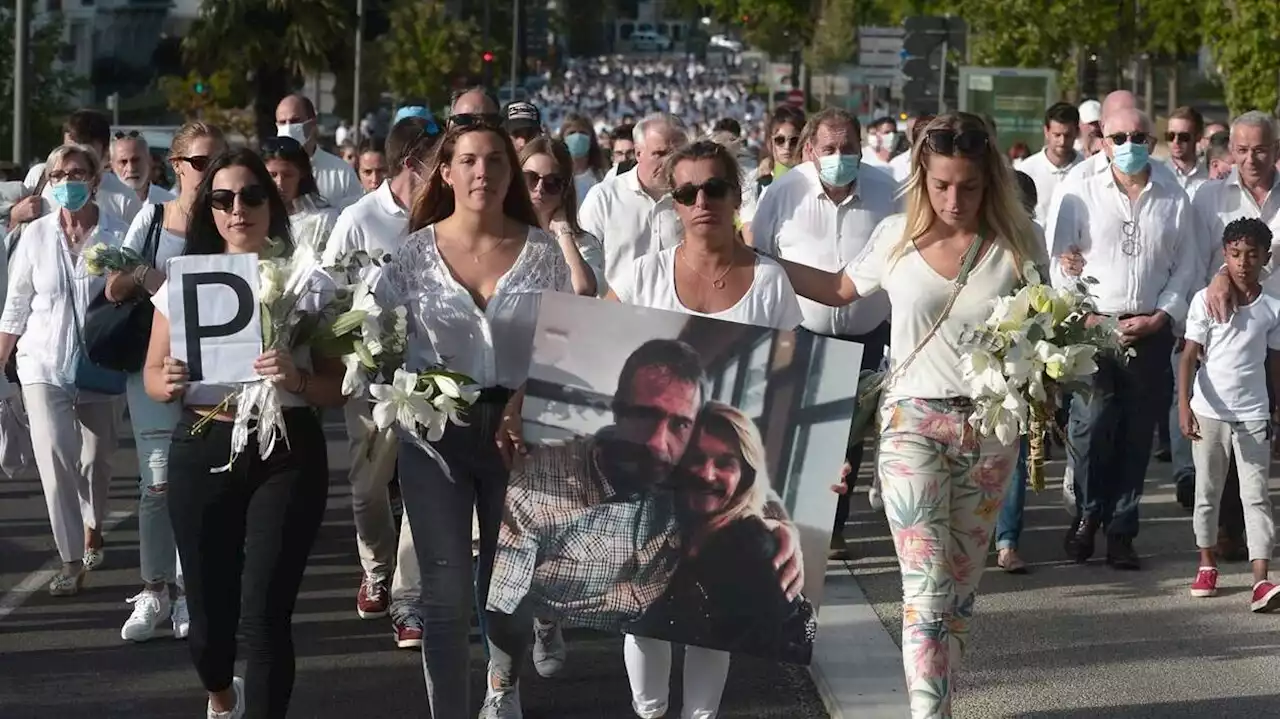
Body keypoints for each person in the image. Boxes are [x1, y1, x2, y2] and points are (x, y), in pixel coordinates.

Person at [774, 113, 1045, 719]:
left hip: (990, 432)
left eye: (969, 187)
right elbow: (842, 289)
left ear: (989, 182)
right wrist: (759, 260)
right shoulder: (895, 235)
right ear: (923, 179)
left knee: (960, 592)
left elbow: (1047, 324)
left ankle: (937, 699)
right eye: (942, 185)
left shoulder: (1020, 242)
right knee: (924, 592)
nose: (954, 199)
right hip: (911, 425)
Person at [372, 119, 587, 719]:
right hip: (435, 435)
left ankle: (504, 683)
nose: (482, 172)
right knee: (443, 596)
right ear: (446, 172)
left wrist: (527, 396)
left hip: (517, 436)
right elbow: (372, 335)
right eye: (467, 160)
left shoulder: (541, 251)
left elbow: (565, 344)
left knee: (507, 596)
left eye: (495, 160)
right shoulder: (414, 254)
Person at [485, 339, 803, 719]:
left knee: (699, 638)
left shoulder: (706, 490)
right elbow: (506, 598)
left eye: (680, 423)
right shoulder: (551, 480)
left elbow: (743, 482)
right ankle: (549, 625)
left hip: (681, 615)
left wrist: (786, 522)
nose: (658, 442)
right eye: (644, 415)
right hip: (591, 607)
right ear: (617, 409)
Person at [143, 149, 346, 719]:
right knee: (209, 624)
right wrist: (170, 381)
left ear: (273, 202)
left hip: (288, 448)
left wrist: (300, 377)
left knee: (265, 616)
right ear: (209, 209)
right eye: (223, 198)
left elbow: (338, 385)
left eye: (252, 196)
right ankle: (219, 694)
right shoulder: (184, 282)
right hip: (206, 442)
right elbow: (153, 373)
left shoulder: (311, 282)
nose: (239, 210)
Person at [606, 139, 804, 719]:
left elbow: (794, 374)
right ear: (673, 203)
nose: (701, 202)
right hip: (651, 479)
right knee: (643, 617)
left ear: (736, 196)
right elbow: (608, 351)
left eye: (713, 188)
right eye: (687, 192)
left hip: (721, 485)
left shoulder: (769, 283)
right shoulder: (642, 275)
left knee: (710, 621)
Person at [1048, 107, 1198, 569]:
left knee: (1136, 435)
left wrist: (1161, 316)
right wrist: (1087, 315)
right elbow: (1060, 264)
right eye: (1119, 136)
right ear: (1104, 142)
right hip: (1095, 329)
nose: (1129, 145)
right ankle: (1089, 514)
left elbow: (1186, 266)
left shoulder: (1174, 198)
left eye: (1138, 136)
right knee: (1092, 428)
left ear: (1150, 141)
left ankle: (1121, 530)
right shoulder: (1079, 192)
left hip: (1149, 331)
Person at [748, 108, 898, 557]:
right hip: (805, 332)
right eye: (829, 149)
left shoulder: (889, 192)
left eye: (847, 148)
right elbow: (761, 256)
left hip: (868, 332)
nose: (839, 157)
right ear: (810, 150)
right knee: (806, 435)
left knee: (849, 437)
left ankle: (834, 525)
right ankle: (800, 526)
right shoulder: (784, 191)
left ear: (861, 148)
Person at [105, 121, 227, 642]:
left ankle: (188, 592)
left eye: (218, 161)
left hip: (214, 372)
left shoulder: (230, 219)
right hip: (153, 367)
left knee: (205, 483)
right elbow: (111, 286)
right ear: (176, 166)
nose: (211, 172)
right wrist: (147, 279)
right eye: (201, 162)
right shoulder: (152, 219)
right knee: (157, 481)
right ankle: (154, 589)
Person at [323, 115, 440, 649]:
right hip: (370, 377)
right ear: (414, 161)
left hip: (434, 376)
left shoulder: (447, 214)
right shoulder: (359, 217)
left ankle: (407, 599)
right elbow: (328, 294)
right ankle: (375, 565)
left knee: (422, 488)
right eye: (442, 155)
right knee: (369, 489)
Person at [0, 143, 130, 596]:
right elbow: (16, 306)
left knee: (96, 460)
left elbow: (135, 301)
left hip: (100, 366)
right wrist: (2, 359)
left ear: (95, 180)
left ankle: (94, 522)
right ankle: (71, 559)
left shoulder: (117, 233)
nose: (67, 182)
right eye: (59, 175)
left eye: (77, 173)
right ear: (49, 181)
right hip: (42, 362)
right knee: (55, 459)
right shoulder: (34, 235)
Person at [628, 402, 816, 665]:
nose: (706, 475)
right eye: (695, 459)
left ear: (745, 477)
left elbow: (761, 650)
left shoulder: (751, 547)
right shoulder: (663, 507)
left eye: (726, 463)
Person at [1178, 217, 1280, 613]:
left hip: (1253, 414)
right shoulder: (1205, 299)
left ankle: (1261, 579)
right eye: (1235, 254)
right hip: (1209, 412)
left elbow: (1274, 365)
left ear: (1265, 258)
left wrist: (1276, 411)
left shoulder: (1271, 309)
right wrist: (1184, 406)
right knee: (1207, 494)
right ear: (1225, 256)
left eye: (1252, 255)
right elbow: (1189, 356)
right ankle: (1206, 563)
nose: (1243, 262)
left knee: (1256, 498)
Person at [578, 113, 688, 293]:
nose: (669, 162)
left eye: (677, 154)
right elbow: (585, 260)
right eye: (660, 154)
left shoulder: (694, 199)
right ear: (638, 153)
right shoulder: (604, 197)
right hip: (614, 315)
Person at [13, 109, 143, 228]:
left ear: (105, 152)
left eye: (87, 154)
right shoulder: (39, 176)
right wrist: (15, 215)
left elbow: (137, 250)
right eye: (69, 150)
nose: (75, 162)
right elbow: (12, 233)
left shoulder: (126, 199)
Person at [519, 136, 605, 296]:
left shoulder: (583, 243)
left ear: (565, 190)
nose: (540, 188)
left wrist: (564, 233)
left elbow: (582, 289)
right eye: (530, 178)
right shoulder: (503, 234)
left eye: (552, 181)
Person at [275, 93, 362, 210]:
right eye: (282, 122)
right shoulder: (267, 173)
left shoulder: (342, 174)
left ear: (312, 123)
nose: (288, 127)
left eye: (295, 121)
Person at [261, 135, 339, 253]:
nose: (279, 183)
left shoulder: (322, 219)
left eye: (288, 175)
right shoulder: (254, 219)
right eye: (272, 175)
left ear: (302, 174)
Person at [1017, 102, 1082, 222]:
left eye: (1067, 135)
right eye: (1057, 135)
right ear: (1046, 132)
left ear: (1077, 132)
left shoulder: (1088, 169)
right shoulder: (1026, 171)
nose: (1062, 141)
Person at [110, 130, 175, 205]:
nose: (131, 168)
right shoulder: (103, 205)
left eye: (136, 160)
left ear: (149, 161)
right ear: (112, 165)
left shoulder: (169, 203)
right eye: (123, 162)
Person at [560, 113, 607, 204]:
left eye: (583, 133)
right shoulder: (555, 176)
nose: (577, 137)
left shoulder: (602, 176)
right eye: (572, 133)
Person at [1166, 105, 1210, 199]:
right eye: (1170, 136)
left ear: (1198, 137)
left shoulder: (1210, 174)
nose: (1176, 141)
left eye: (1184, 137)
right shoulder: (1157, 173)